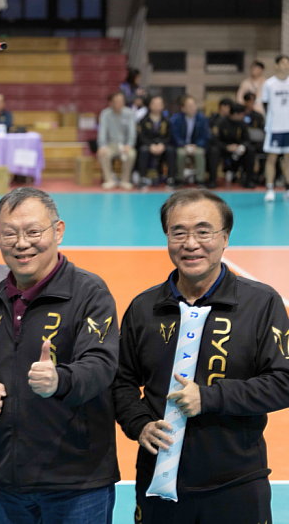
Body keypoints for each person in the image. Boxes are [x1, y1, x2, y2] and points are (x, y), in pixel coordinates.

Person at [113, 189, 289, 524]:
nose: (190, 243)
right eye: (178, 232)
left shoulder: (261, 304)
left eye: (204, 231)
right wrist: (140, 425)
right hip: (157, 484)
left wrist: (209, 397)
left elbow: (284, 381)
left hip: (236, 484)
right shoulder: (143, 308)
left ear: (225, 238)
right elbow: (120, 381)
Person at [0, 188, 120, 524]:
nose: (22, 243)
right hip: (9, 483)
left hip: (76, 484)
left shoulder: (89, 293)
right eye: (9, 233)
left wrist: (60, 380)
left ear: (58, 231)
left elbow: (101, 365)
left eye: (33, 231)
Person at [207, 103, 256, 189]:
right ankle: (212, 180)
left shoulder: (242, 124)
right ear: (236, 114)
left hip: (238, 150)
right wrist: (226, 147)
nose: (243, 116)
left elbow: (247, 139)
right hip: (223, 149)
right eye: (242, 114)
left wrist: (241, 146)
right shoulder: (221, 122)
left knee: (251, 150)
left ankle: (248, 180)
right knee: (214, 150)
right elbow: (215, 140)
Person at [261, 54, 289, 202]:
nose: (286, 65)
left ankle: (288, 188)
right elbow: (265, 105)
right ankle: (270, 188)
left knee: (288, 159)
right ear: (276, 65)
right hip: (275, 128)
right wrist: (272, 122)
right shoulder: (269, 84)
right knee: (272, 158)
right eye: (283, 63)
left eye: (288, 63)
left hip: (288, 128)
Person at [97, 91, 137, 189]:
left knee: (131, 154)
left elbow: (132, 132)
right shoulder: (105, 114)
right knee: (103, 153)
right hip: (110, 145)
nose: (120, 103)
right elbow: (102, 132)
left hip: (125, 145)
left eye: (121, 101)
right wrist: (102, 146)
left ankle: (125, 180)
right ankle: (109, 180)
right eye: (117, 101)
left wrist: (129, 145)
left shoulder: (129, 113)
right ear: (111, 103)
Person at [136, 95, 177, 188]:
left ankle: (171, 179)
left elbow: (169, 136)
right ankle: (142, 178)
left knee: (171, 150)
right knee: (143, 150)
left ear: (163, 106)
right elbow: (141, 136)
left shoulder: (167, 121)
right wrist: (151, 145)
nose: (157, 106)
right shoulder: (143, 121)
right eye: (155, 104)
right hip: (149, 146)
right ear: (150, 105)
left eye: (160, 104)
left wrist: (162, 144)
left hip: (163, 145)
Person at [171, 95, 210, 186]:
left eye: (194, 105)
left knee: (200, 153)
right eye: (189, 106)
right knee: (180, 154)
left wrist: (196, 145)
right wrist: (184, 145)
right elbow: (175, 135)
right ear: (183, 108)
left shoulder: (202, 119)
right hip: (183, 146)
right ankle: (180, 179)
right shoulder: (177, 119)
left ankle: (200, 180)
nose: (193, 108)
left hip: (197, 146)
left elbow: (205, 136)